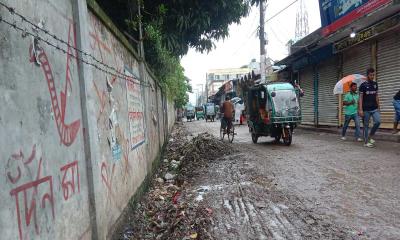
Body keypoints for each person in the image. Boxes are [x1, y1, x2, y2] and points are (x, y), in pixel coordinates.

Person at [359, 68, 380, 148]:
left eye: (373, 75)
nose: (372, 76)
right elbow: (360, 98)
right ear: (367, 75)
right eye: (371, 75)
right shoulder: (363, 85)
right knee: (366, 126)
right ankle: (366, 142)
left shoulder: (375, 84)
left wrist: (379, 106)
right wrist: (360, 109)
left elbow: (376, 96)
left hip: (374, 108)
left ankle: (371, 136)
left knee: (378, 122)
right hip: (366, 109)